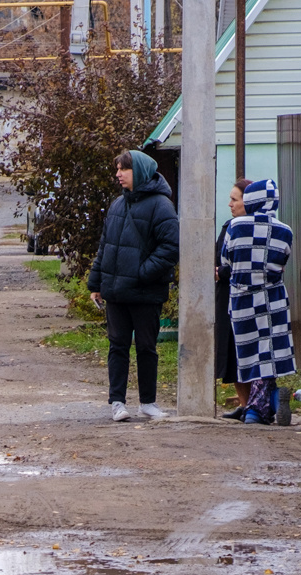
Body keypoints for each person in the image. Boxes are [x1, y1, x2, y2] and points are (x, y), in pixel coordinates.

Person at [87, 149, 178, 423]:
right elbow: (105, 246)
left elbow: (170, 247)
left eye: (123, 169)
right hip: (116, 292)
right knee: (117, 347)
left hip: (145, 293)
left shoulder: (161, 205)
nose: (118, 174)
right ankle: (117, 402)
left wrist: (142, 273)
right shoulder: (117, 205)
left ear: (138, 171)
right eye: (117, 169)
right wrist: (96, 281)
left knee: (147, 348)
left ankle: (148, 403)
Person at [218, 177, 295, 423]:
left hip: (242, 299)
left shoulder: (236, 226)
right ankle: (268, 402)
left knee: (248, 355)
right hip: (273, 299)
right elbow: (283, 261)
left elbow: (226, 261)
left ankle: (255, 410)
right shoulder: (285, 230)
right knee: (269, 354)